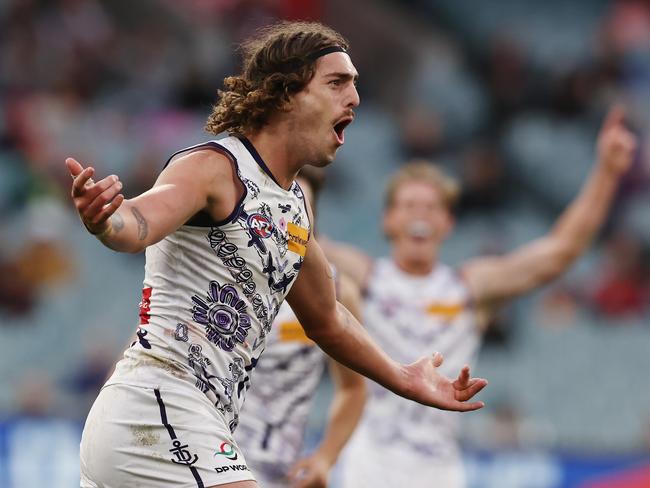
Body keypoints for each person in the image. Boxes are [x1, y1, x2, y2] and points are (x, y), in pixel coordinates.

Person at [66, 21, 487, 488]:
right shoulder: (214, 166)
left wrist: (405, 378)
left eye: (355, 85)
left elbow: (328, 319)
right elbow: (138, 223)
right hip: (159, 405)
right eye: (337, 83)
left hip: (173, 420)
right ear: (286, 93)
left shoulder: (293, 211)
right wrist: (107, 219)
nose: (355, 98)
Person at [325, 107, 637, 488]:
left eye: (431, 207)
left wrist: (606, 172)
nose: (419, 215)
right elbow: (295, 237)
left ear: (448, 223)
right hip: (368, 467)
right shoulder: (363, 278)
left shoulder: (470, 288)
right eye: (408, 206)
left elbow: (559, 252)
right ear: (388, 220)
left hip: (439, 472)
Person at [235, 166, 366, 488]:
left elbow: (354, 387)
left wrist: (325, 457)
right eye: (281, 204)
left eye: (299, 207)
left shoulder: (336, 290)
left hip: (282, 473)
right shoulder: (226, 274)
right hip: (215, 463)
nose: (289, 218)